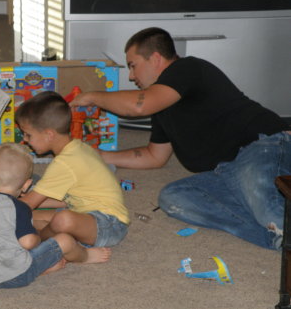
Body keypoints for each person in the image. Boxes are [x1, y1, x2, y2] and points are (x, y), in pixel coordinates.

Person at [69, 27, 291, 250]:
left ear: (156, 58)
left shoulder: (188, 68)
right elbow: (154, 156)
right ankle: (278, 239)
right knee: (174, 197)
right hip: (227, 174)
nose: (131, 76)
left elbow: (140, 105)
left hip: (265, 146)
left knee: (267, 209)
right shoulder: (164, 104)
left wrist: (93, 97)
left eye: (133, 65)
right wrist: (101, 155)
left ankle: (280, 228)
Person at [0, 143, 111, 289]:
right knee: (64, 240)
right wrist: (37, 237)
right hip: (15, 275)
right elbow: (28, 243)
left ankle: (43, 269)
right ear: (26, 185)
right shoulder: (19, 207)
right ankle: (85, 256)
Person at [16, 91, 130, 248]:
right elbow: (65, 199)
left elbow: (25, 205)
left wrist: (0, 205)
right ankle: (54, 234)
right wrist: (29, 201)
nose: (24, 139)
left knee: (63, 220)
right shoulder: (77, 147)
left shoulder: (64, 163)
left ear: (49, 134)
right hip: (84, 212)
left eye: (28, 134)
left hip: (108, 224)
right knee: (34, 216)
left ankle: (40, 240)